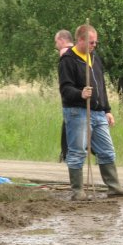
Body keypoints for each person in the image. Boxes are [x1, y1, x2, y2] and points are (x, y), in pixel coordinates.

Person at [58, 24, 123, 200]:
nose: (94, 46)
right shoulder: (68, 60)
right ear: (80, 40)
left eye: (96, 43)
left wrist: (107, 110)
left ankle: (114, 187)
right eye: (91, 42)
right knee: (77, 152)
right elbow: (65, 89)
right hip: (77, 111)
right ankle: (77, 191)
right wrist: (80, 93)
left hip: (98, 112)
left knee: (107, 150)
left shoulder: (95, 57)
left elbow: (102, 86)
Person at [54, 30, 74, 162]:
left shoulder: (65, 53)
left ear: (62, 40)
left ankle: (66, 155)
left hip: (71, 99)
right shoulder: (80, 53)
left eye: (56, 42)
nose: (56, 45)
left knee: (68, 128)